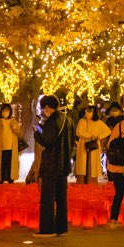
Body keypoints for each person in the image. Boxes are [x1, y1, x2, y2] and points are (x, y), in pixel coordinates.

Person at [34, 96, 73, 234]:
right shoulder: (68, 120)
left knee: (47, 198)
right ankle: (61, 228)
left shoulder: (52, 121)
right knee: (61, 198)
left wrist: (37, 133)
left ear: (46, 107)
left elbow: (47, 141)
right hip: (64, 164)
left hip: (52, 164)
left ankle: (47, 229)